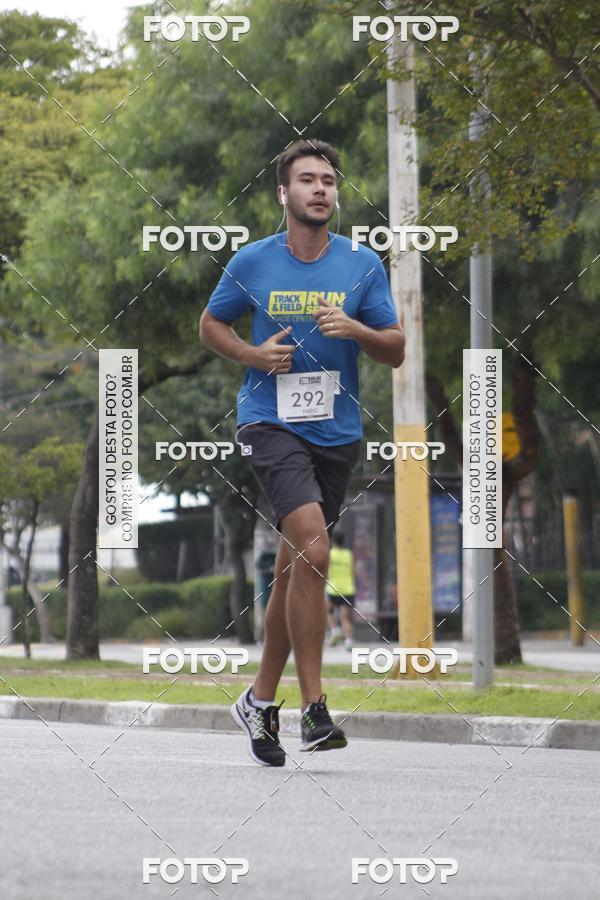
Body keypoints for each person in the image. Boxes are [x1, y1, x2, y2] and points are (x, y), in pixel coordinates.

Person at [199, 138, 404, 767]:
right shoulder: (253, 261)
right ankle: (315, 707)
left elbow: (395, 348)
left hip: (336, 434)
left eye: (329, 181)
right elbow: (211, 324)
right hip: (270, 422)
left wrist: (357, 329)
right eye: (308, 179)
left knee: (298, 569)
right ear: (283, 193)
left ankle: (259, 700)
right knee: (315, 551)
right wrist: (252, 354)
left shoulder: (362, 264)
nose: (321, 189)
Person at [326, 531, 356, 651]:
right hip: (348, 590)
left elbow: (327, 572)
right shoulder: (349, 554)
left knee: (328, 611)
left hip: (333, 590)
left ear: (332, 542)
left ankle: (335, 630)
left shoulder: (330, 554)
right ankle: (348, 641)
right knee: (345, 617)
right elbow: (353, 573)